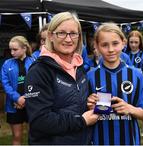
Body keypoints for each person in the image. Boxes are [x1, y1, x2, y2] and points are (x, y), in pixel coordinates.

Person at [24, 12, 99, 145]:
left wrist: (88, 102)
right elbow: (39, 120)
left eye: (73, 33)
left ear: (79, 37)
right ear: (51, 36)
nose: (68, 39)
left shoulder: (79, 66)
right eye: (62, 33)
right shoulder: (39, 70)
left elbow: (72, 102)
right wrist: (81, 121)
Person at [87, 22, 143, 145]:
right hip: (101, 140)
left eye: (115, 43)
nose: (110, 49)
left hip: (129, 141)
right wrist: (89, 105)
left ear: (123, 43)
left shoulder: (136, 75)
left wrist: (130, 109)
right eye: (104, 45)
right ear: (97, 47)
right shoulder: (90, 76)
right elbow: (86, 113)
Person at [1, 36, 34, 145]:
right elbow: (6, 84)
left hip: (32, 105)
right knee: (17, 136)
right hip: (13, 105)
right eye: (10, 49)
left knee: (33, 135)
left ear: (24, 48)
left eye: (15, 49)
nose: (12, 52)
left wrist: (26, 99)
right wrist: (17, 98)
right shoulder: (7, 64)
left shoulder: (34, 61)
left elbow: (38, 83)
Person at [125, 30, 143, 145]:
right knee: (128, 112)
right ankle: (129, 137)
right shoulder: (124, 54)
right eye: (131, 42)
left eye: (136, 42)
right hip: (127, 89)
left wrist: (139, 76)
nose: (133, 44)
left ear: (140, 42)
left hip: (141, 88)